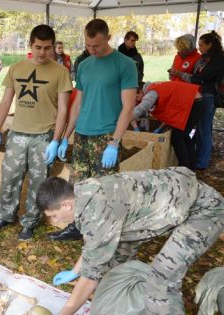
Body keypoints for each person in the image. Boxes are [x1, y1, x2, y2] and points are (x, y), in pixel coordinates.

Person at [36, 167, 224, 315]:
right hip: (172, 205)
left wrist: (65, 312)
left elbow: (90, 276)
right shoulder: (81, 193)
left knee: (160, 279)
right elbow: (93, 245)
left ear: (66, 205)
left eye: (54, 215)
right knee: (113, 269)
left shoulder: (97, 211)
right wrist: (74, 271)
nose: (55, 221)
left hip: (204, 211)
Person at [51, 19, 137, 242]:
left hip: (106, 137)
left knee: (105, 189)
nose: (92, 50)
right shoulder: (85, 65)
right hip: (82, 135)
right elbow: (77, 103)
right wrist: (63, 138)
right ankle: (76, 227)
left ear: (108, 38)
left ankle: (102, 233)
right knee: (77, 185)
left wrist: (115, 143)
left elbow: (128, 107)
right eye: (88, 45)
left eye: (96, 46)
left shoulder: (125, 64)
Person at [0, 24, 72, 241]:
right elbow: (6, 101)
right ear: (30, 45)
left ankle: (30, 222)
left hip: (43, 137)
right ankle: (5, 216)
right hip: (17, 134)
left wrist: (57, 140)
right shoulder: (16, 68)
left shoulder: (61, 72)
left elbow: (64, 108)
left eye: (47, 47)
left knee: (38, 182)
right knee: (9, 178)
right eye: (38, 47)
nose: (42, 52)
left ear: (53, 47)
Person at [170, 31, 224, 170]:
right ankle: (199, 157)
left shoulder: (217, 59)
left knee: (204, 129)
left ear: (210, 45)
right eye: (198, 45)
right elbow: (196, 76)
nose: (199, 48)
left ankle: (202, 161)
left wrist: (182, 74)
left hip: (207, 96)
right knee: (200, 129)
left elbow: (200, 77)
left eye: (201, 45)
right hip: (199, 94)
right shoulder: (206, 58)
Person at [134, 81, 203, 169]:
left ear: (141, 91)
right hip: (195, 101)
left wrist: (126, 118)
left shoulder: (151, 92)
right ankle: (192, 164)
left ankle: (185, 169)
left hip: (193, 103)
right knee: (183, 135)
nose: (138, 100)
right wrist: (160, 128)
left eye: (137, 96)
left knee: (177, 137)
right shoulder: (155, 88)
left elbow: (142, 107)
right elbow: (168, 114)